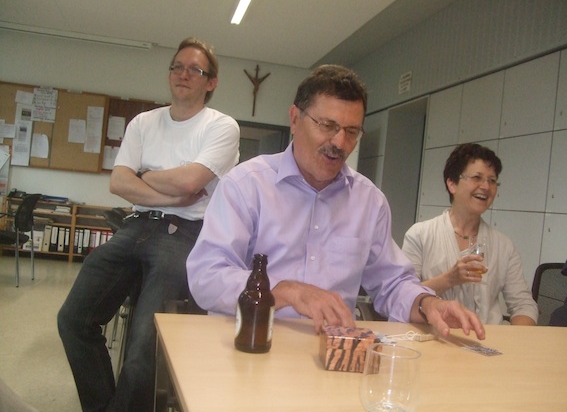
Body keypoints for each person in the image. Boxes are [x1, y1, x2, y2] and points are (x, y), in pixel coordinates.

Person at [186, 64, 485, 340]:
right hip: (250, 343)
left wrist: (426, 304)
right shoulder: (246, 185)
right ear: (295, 119)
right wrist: (286, 291)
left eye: (351, 132)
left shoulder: (369, 202)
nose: (340, 143)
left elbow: (392, 282)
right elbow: (206, 276)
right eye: (327, 126)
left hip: (332, 355)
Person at [57, 37, 240, 412]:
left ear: (211, 82)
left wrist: (143, 175)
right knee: (73, 320)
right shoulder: (143, 122)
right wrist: (170, 196)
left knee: (144, 351)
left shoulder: (222, 126)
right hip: (135, 226)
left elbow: (191, 181)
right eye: (177, 67)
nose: (183, 74)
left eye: (195, 70)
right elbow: (118, 183)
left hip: (186, 235)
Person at [402, 143, 538, 325]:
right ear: (452, 184)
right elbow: (403, 295)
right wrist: (449, 279)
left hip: (488, 337)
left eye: (492, 180)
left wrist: (518, 340)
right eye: (477, 178)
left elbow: (523, 305)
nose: (486, 186)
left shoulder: (503, 245)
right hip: (436, 335)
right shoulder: (420, 235)